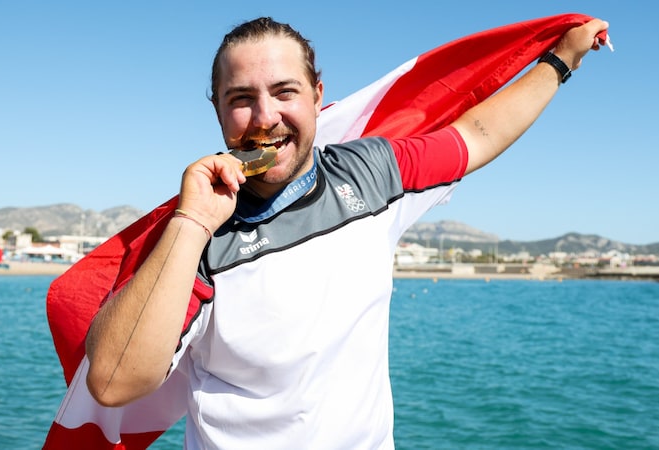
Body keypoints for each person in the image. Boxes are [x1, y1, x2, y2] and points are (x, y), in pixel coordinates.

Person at [83, 16, 609, 448]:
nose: (265, 118)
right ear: (218, 108)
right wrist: (191, 223)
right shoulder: (197, 233)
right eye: (241, 97)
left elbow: (476, 133)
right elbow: (112, 382)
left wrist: (560, 62)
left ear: (317, 95)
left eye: (284, 91)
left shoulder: (373, 172)